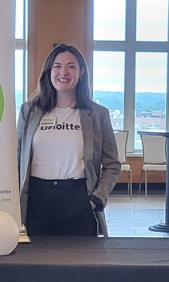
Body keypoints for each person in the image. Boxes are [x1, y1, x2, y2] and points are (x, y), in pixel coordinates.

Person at [17, 44, 120, 237]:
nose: (63, 72)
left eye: (71, 66)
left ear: (81, 72)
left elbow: (112, 165)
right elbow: (17, 159)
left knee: (80, 265)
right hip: (36, 203)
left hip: (79, 203)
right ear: (49, 71)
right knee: (35, 263)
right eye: (57, 66)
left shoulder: (98, 115)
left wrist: (96, 199)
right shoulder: (28, 111)